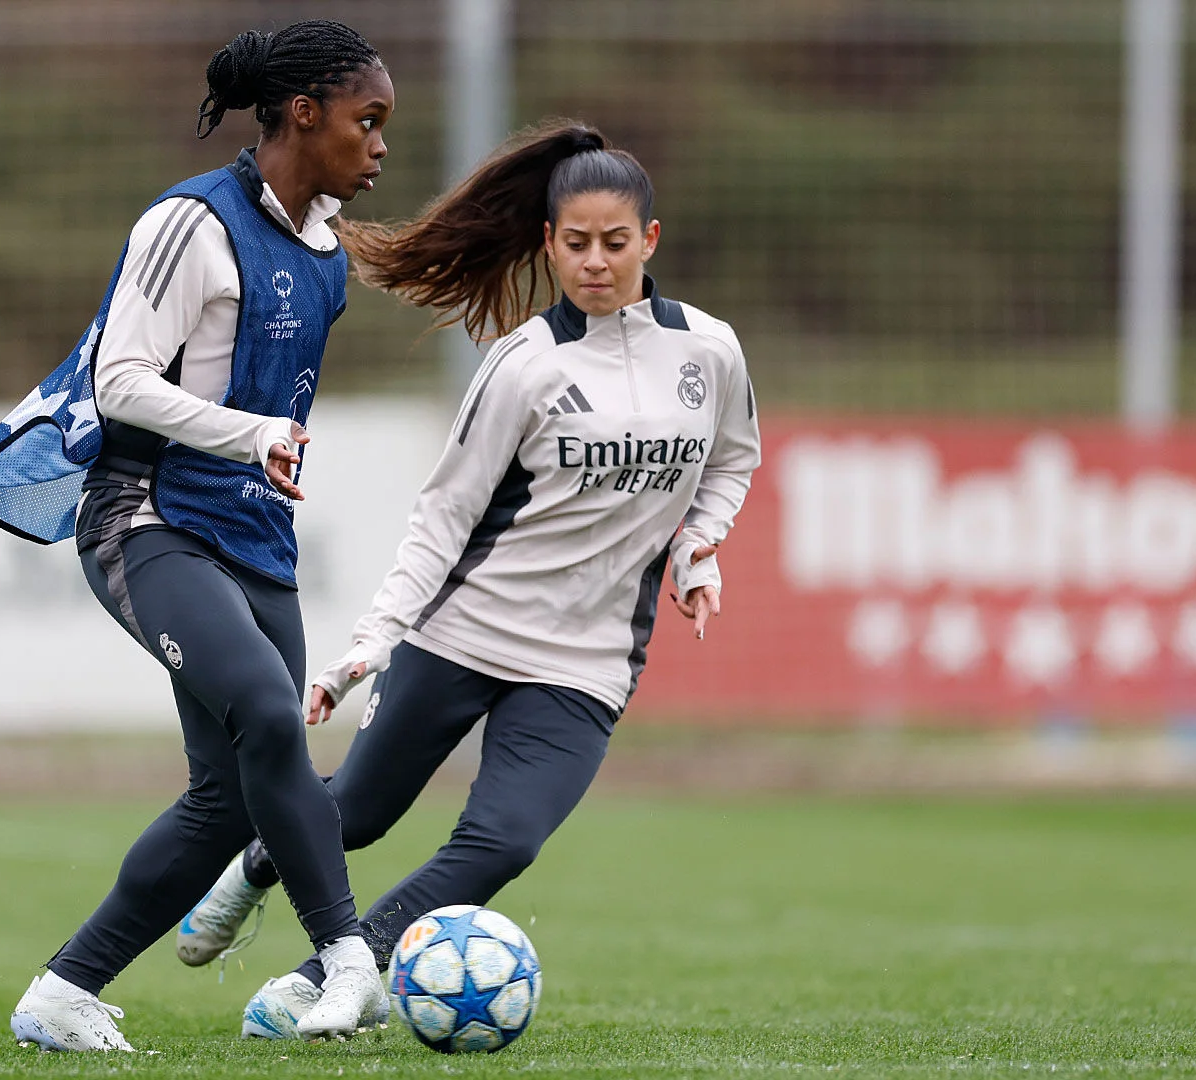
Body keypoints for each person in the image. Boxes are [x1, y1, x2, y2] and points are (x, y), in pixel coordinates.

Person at [168, 122, 763, 1040]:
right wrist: (373, 642)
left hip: (589, 660)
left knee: (502, 844)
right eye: (575, 244)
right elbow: (443, 516)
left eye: (614, 243)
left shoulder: (710, 352)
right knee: (353, 815)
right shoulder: (523, 363)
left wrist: (700, 548)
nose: (594, 263)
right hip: (463, 633)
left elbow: (732, 462)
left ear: (650, 239)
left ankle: (331, 980)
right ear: (548, 244)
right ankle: (254, 869)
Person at [0, 20, 395, 1051]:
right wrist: (255, 435)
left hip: (254, 537)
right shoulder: (187, 225)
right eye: (366, 123)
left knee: (230, 800)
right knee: (269, 721)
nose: (380, 146)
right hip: (142, 517)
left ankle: (63, 993)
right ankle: (349, 959)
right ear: (302, 114)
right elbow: (120, 381)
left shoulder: (325, 246)